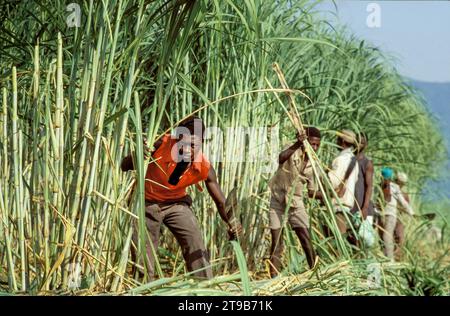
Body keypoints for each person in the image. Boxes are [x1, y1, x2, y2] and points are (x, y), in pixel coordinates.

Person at [121, 116, 242, 279]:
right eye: (183, 144)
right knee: (143, 251)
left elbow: (221, 202)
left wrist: (232, 221)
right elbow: (124, 165)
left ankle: (205, 286)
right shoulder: (161, 144)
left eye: (192, 146)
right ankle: (143, 287)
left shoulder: (204, 167)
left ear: (201, 145)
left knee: (194, 240)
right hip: (147, 203)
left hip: (176, 204)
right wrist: (138, 154)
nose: (186, 150)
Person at [268, 126, 323, 277]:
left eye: (317, 144)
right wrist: (298, 144)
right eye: (312, 143)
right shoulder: (292, 148)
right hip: (277, 200)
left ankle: (315, 274)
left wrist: (325, 196)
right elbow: (280, 158)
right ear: (305, 141)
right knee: (276, 242)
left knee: (305, 239)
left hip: (295, 204)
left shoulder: (314, 164)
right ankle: (274, 279)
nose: (315, 147)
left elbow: (311, 192)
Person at [328, 130, 360, 236]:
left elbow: (332, 182)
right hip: (348, 205)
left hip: (339, 204)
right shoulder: (354, 161)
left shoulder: (340, 159)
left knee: (336, 239)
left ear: (342, 141)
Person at [380, 168, 414, 261]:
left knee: (388, 236)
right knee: (384, 237)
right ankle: (385, 257)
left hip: (391, 215)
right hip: (382, 215)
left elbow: (403, 202)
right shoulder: (380, 187)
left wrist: (411, 212)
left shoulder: (394, 187)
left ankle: (390, 260)